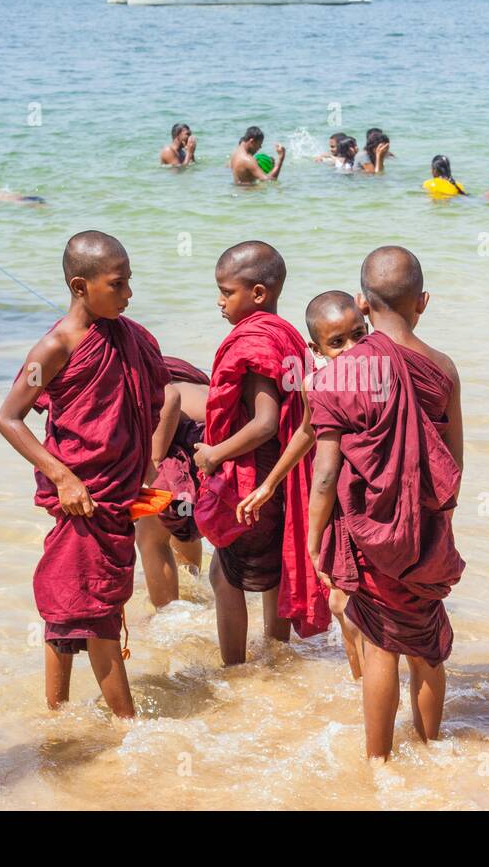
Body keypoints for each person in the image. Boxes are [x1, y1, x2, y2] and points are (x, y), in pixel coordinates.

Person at [0, 231, 178, 717]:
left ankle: (54, 716)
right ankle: (128, 728)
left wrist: (147, 466)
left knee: (75, 609)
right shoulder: (53, 349)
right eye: (117, 285)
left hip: (118, 496)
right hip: (82, 499)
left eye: (129, 283)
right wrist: (63, 477)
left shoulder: (133, 338)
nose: (128, 294)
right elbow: (9, 418)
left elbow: (152, 400)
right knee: (94, 615)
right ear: (81, 286)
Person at [309, 247, 465, 759]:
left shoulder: (340, 374)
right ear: (423, 302)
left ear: (362, 302)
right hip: (424, 534)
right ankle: (432, 751)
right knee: (425, 648)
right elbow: (453, 468)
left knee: (379, 647)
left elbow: (327, 472)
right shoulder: (442, 368)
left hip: (369, 534)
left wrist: (314, 539)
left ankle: (378, 765)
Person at [194, 241, 330, 664]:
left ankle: (233, 667)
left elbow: (264, 423)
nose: (219, 301)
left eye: (226, 291)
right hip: (284, 475)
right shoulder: (287, 334)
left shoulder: (254, 342)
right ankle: (277, 657)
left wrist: (214, 454)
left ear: (258, 293)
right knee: (275, 574)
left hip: (255, 476)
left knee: (223, 575)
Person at [236, 290, 370, 681]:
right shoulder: (317, 384)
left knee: (364, 604)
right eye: (337, 343)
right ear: (316, 348)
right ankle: (363, 683)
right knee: (343, 603)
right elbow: (307, 432)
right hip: (341, 506)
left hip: (373, 501)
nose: (351, 349)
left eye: (359, 335)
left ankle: (377, 685)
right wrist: (269, 484)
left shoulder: (383, 375)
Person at [137, 356, 211, 607]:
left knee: (149, 533)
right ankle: (193, 591)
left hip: (200, 446)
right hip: (224, 449)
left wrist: (155, 468)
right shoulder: (186, 379)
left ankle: (170, 614)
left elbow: (169, 398)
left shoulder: (150, 384)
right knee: (182, 518)